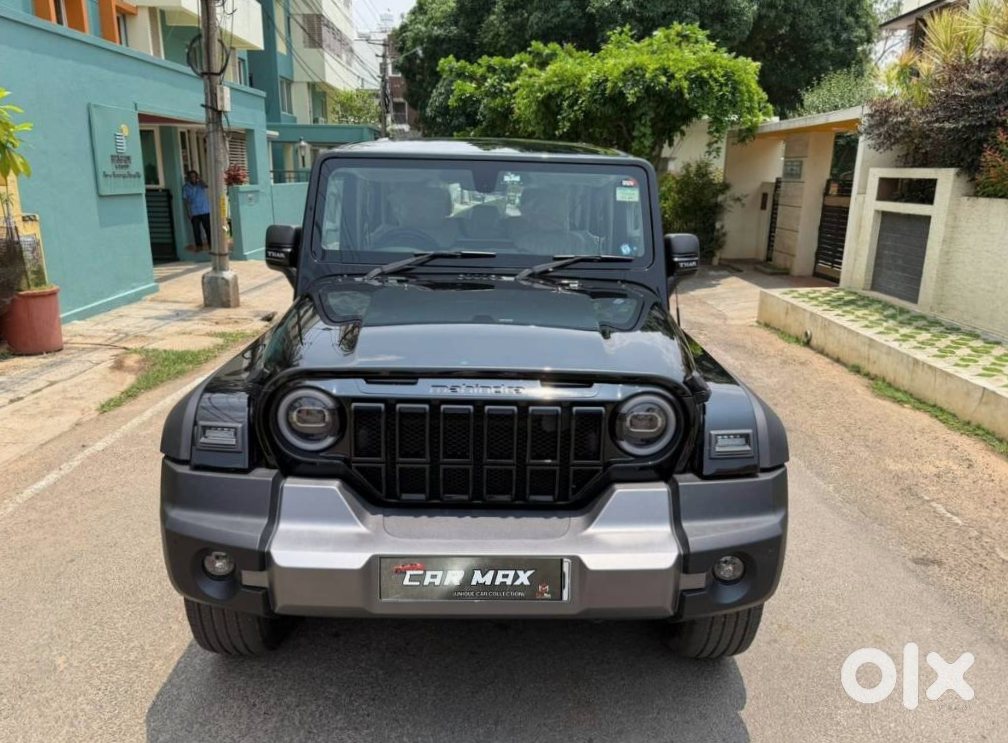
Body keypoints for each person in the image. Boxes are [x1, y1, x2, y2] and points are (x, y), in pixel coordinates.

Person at [182, 170, 211, 251]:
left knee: (208, 229)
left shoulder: (200, 185)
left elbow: (206, 185)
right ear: (188, 178)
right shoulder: (185, 187)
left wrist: (200, 179)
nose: (193, 178)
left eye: (194, 176)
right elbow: (186, 201)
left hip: (205, 210)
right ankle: (199, 247)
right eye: (191, 177)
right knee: (196, 231)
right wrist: (188, 212)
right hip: (194, 212)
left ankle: (211, 245)